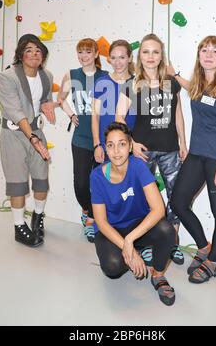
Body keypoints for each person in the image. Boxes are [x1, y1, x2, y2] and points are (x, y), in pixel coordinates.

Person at [169, 35, 216, 283]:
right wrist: (175, 75)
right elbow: (194, 90)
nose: (209, 55)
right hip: (197, 155)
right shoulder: (199, 85)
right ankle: (203, 246)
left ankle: (212, 262)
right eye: (204, 50)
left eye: (215, 51)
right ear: (199, 55)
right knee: (178, 201)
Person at [116, 33, 188, 265]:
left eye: (155, 52)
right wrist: (131, 144)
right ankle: (145, 243)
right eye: (145, 51)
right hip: (142, 151)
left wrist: (183, 143)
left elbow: (177, 113)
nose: (150, 56)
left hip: (169, 150)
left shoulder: (171, 82)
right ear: (140, 56)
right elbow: (119, 118)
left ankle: (171, 242)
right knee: (142, 200)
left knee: (176, 198)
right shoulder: (133, 84)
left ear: (161, 55)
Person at [91, 122, 177, 306]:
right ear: (105, 148)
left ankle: (158, 275)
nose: (116, 151)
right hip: (112, 231)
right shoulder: (97, 176)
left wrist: (129, 241)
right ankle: (135, 252)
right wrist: (126, 247)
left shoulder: (138, 167)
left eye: (122, 144)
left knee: (167, 231)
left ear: (130, 146)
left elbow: (158, 209)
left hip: (136, 227)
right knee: (112, 268)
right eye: (111, 145)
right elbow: (101, 222)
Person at [0, 34, 56, 247]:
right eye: (29, 50)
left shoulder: (46, 75)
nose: (34, 54)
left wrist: (48, 104)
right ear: (20, 54)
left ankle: (38, 217)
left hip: (36, 133)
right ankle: (19, 226)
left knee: (41, 179)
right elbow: (15, 110)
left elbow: (43, 99)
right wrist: (31, 137)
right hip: (15, 135)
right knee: (18, 183)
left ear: (43, 55)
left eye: (38, 50)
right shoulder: (7, 77)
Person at [58, 38, 107, 242]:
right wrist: (70, 114)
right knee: (80, 183)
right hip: (80, 138)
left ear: (96, 54)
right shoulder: (71, 75)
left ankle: (94, 220)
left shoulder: (105, 76)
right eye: (80, 52)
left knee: (100, 183)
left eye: (88, 52)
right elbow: (61, 98)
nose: (83, 56)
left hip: (101, 138)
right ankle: (87, 211)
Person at [92, 39, 136, 165]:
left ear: (130, 57)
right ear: (109, 59)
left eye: (122, 57)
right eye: (113, 58)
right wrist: (97, 145)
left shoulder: (137, 84)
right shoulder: (101, 83)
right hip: (106, 146)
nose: (117, 62)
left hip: (131, 147)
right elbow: (95, 117)